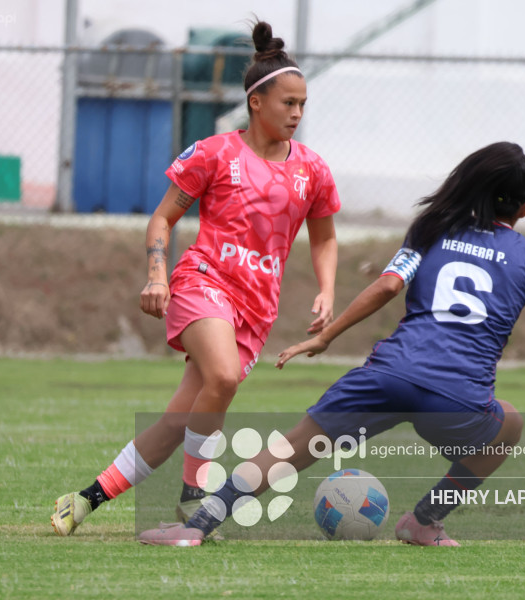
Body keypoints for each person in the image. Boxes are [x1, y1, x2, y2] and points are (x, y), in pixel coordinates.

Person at [137, 141, 525, 547]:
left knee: (291, 450)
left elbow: (387, 288)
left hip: (388, 375)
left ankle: (196, 527)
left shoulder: (433, 229)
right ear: (524, 208)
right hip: (456, 399)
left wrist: (325, 336)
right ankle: (424, 522)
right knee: (509, 422)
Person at [51, 20, 341, 536]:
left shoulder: (313, 171)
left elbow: (323, 238)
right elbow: (162, 217)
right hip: (202, 283)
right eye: (287, 103)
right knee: (223, 378)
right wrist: (157, 276)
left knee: (178, 421)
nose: (297, 113)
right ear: (257, 102)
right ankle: (194, 492)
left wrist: (326, 289)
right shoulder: (213, 154)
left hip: (255, 307)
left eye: (303, 104)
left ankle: (84, 500)